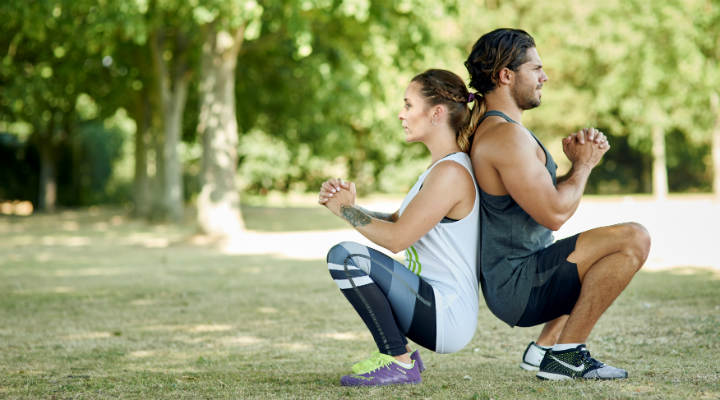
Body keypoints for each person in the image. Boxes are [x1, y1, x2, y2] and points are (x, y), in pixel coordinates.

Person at [464, 28, 651, 381]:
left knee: (613, 250)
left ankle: (544, 350)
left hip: (525, 276)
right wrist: (584, 166)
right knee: (634, 238)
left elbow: (542, 198)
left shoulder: (506, 131)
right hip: (519, 284)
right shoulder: (504, 136)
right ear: (506, 75)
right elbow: (554, 214)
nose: (544, 77)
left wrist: (573, 167)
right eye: (536, 69)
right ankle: (566, 356)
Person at [317, 69, 483, 386]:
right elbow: (397, 220)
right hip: (430, 303)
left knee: (346, 257)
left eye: (408, 105)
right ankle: (403, 359)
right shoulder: (440, 168)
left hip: (445, 314)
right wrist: (349, 209)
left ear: (436, 113)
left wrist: (348, 211)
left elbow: (397, 239)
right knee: (347, 256)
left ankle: (399, 361)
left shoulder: (451, 173)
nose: (400, 114)